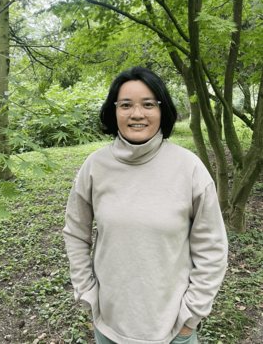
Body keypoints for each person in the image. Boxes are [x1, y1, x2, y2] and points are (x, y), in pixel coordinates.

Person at [62, 67, 228, 344]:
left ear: (162, 110)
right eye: (126, 105)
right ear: (113, 111)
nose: (137, 114)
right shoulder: (95, 166)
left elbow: (212, 248)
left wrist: (191, 317)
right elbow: (75, 233)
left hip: (174, 330)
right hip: (109, 326)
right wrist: (86, 292)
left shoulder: (189, 168)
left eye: (148, 104)